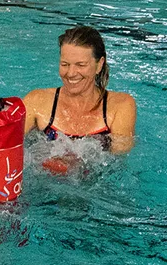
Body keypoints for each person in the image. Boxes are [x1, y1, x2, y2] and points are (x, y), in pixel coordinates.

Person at [23, 25, 137, 171]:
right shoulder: (37, 101)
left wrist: (76, 164)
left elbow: (118, 165)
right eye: (65, 64)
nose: (71, 73)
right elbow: (3, 143)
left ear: (99, 65)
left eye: (81, 65)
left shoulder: (120, 106)